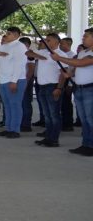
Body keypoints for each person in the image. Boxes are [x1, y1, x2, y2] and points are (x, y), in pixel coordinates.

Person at [50, 28, 93, 156]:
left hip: (90, 89)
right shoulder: (82, 52)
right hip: (79, 88)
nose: (83, 38)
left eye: (86, 36)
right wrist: (70, 74)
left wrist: (59, 58)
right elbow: (76, 67)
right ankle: (86, 144)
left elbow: (82, 63)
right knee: (84, 119)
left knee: (90, 119)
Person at [27, 33, 66, 148]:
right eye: (45, 40)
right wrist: (39, 56)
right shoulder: (43, 52)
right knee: (47, 114)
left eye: (48, 40)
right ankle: (48, 137)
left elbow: (63, 73)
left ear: (56, 42)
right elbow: (28, 53)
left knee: (54, 114)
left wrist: (59, 88)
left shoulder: (60, 54)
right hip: (42, 86)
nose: (45, 42)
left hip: (52, 86)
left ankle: (54, 139)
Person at [0, 27, 27, 139]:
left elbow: (19, 65)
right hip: (3, 80)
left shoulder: (19, 47)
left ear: (16, 35)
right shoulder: (5, 46)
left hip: (15, 80)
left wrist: (14, 81)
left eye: (9, 33)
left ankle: (15, 130)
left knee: (15, 105)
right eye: (6, 33)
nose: (6, 35)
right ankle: (8, 128)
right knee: (7, 106)